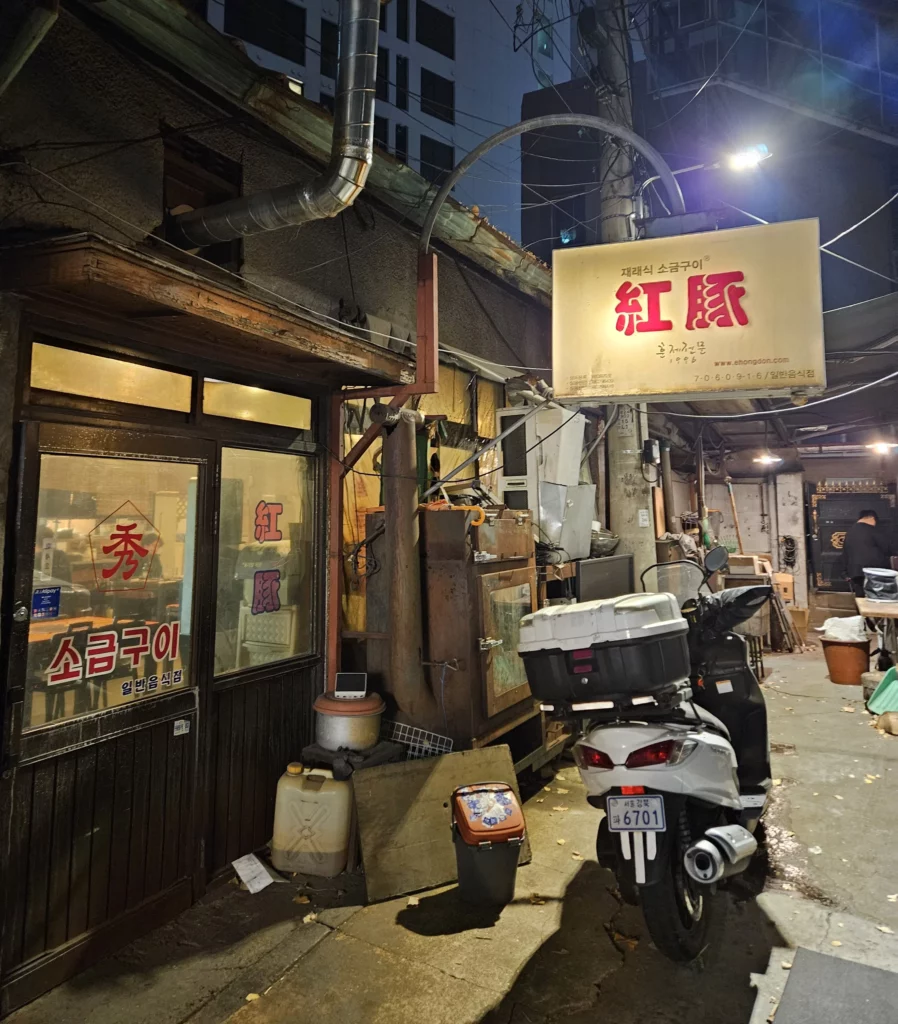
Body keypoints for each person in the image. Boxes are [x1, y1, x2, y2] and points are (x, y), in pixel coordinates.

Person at [842, 510, 892, 598]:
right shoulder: (873, 531)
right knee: (875, 597)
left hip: (855, 571)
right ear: (871, 518)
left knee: (860, 597)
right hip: (874, 571)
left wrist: (845, 572)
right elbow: (886, 548)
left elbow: (845, 553)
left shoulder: (850, 532)